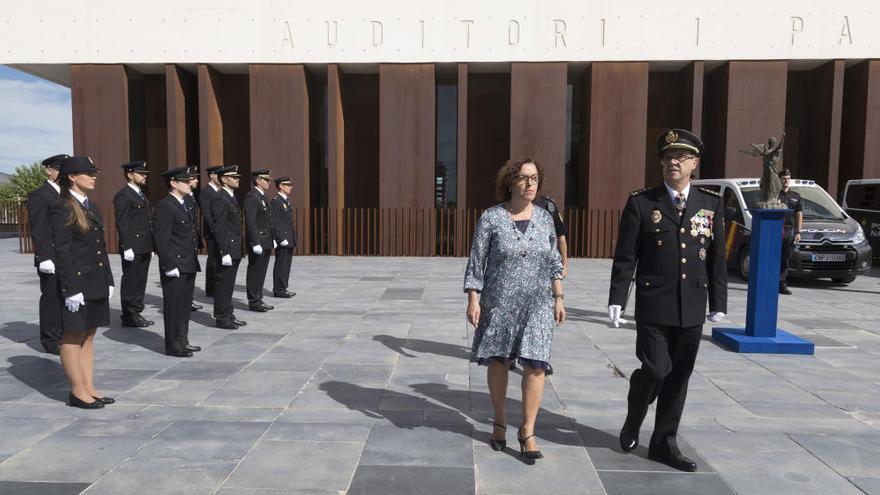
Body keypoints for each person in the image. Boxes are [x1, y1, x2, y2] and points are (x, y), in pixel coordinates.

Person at [608, 129, 727, 472]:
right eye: (667, 157)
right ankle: (635, 417)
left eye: (680, 157)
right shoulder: (642, 202)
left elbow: (716, 257)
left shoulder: (711, 203)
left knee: (679, 377)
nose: (673, 162)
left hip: (692, 304)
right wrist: (618, 298)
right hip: (654, 304)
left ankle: (664, 442)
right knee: (657, 368)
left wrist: (718, 302)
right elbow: (626, 256)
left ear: (694, 163)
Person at [464, 157, 565, 461]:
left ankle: (528, 431)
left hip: (537, 305)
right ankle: (499, 421)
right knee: (499, 363)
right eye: (524, 178)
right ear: (510, 182)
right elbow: (476, 260)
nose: (530, 184)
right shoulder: (491, 218)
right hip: (499, 303)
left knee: (536, 366)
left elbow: (553, 262)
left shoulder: (546, 218)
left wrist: (558, 297)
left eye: (535, 178)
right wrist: (473, 298)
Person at [50, 156, 115, 409]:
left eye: (94, 173)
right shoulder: (63, 206)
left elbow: (99, 247)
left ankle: (89, 387)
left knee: (89, 335)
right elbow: (63, 252)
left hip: (95, 280)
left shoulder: (90, 206)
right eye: (87, 173)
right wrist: (71, 290)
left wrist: (108, 279)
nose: (93, 177)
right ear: (72, 177)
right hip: (77, 284)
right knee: (72, 336)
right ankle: (77, 391)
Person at [152, 167, 202, 357]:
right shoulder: (166, 206)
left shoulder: (183, 204)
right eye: (185, 180)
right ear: (173, 183)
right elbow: (161, 239)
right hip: (176, 265)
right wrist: (169, 265)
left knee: (184, 306)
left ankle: (183, 340)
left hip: (188, 263)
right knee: (174, 307)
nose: (190, 184)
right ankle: (174, 345)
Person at [26, 153, 69, 354]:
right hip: (50, 256)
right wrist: (44, 256)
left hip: (66, 255)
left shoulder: (66, 193)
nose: (62, 173)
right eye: (59, 168)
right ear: (49, 170)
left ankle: (63, 332)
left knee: (66, 295)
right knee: (52, 298)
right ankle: (51, 339)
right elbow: (39, 228)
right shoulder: (41, 195)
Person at [113, 161, 155, 328]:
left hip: (144, 244)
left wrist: (150, 245)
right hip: (133, 245)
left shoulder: (140, 194)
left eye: (145, 173)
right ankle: (129, 314)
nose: (145, 176)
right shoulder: (123, 195)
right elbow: (122, 223)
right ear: (130, 174)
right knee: (131, 280)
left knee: (141, 279)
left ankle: (136, 311)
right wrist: (126, 246)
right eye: (141, 173)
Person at [211, 165, 247, 329]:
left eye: (238, 177)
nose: (238, 179)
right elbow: (219, 227)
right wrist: (224, 251)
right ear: (224, 179)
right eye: (234, 177)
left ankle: (228, 312)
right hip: (227, 249)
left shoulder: (230, 196)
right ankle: (222, 316)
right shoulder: (220, 198)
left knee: (229, 283)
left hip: (234, 248)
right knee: (223, 283)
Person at [244, 168, 276, 312]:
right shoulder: (252, 197)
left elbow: (268, 221)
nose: (269, 182)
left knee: (261, 271)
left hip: (266, 240)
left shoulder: (263, 197)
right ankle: (253, 300)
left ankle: (258, 297)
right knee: (255, 271)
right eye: (266, 179)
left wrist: (273, 238)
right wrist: (255, 242)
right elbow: (251, 222)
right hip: (259, 241)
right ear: (258, 180)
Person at [777, 169, 803, 295]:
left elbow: (799, 214)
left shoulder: (796, 196)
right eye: (783, 178)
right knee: (774, 257)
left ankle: (782, 285)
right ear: (779, 180)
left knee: (785, 259)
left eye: (788, 178)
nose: (786, 180)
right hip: (777, 230)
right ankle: (771, 283)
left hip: (790, 230)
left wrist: (798, 232)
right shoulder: (775, 195)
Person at [270, 176, 297, 298]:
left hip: (289, 238)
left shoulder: (285, 200)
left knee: (286, 264)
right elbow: (274, 222)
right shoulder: (276, 201)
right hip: (283, 239)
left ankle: (283, 287)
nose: (291, 187)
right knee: (281, 264)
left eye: (291, 185)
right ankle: (279, 289)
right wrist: (280, 238)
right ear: (281, 186)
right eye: (288, 185)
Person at [200, 166, 223, 297]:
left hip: (221, 231)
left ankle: (217, 285)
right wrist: (216, 230)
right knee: (213, 258)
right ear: (212, 176)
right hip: (212, 232)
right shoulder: (206, 192)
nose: (220, 178)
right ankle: (211, 288)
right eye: (218, 175)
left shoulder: (220, 191)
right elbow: (207, 214)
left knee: (219, 258)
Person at [534, 194, 569, 278]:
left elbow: (561, 236)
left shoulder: (548, 205)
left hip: (545, 267)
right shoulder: (507, 207)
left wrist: (564, 265)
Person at [185, 166, 204, 312]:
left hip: (192, 240)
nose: (196, 180)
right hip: (185, 241)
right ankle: (186, 299)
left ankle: (189, 299)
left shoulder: (191, 195)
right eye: (193, 178)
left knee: (192, 273)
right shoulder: (183, 197)